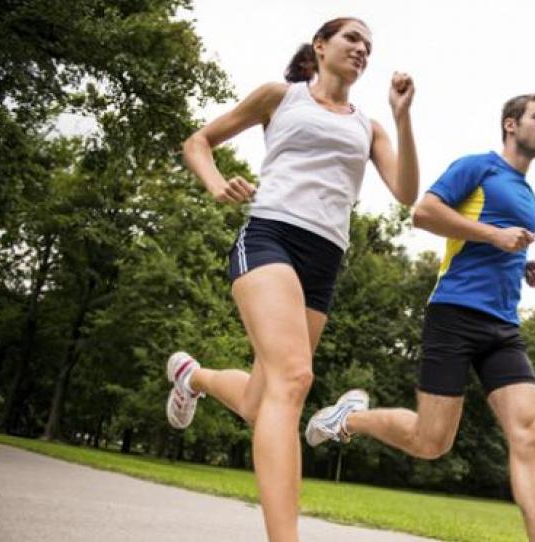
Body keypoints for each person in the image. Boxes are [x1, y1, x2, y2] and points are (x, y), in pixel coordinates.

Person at [169, 17, 418, 542]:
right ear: (321, 46)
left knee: (264, 403)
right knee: (295, 381)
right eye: (352, 38)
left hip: (324, 261)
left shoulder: (368, 126)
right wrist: (215, 184)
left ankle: (194, 377)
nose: (362, 49)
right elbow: (198, 142)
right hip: (270, 238)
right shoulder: (280, 97)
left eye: (368, 46)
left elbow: (406, 192)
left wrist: (402, 118)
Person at [306, 92, 535, 542]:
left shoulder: (531, 197)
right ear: (510, 125)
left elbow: (495, 249)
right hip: (455, 314)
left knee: (531, 432)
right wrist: (495, 236)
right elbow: (423, 213)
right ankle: (348, 418)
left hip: (503, 327)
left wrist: (524, 267)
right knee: (431, 442)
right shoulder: (477, 167)